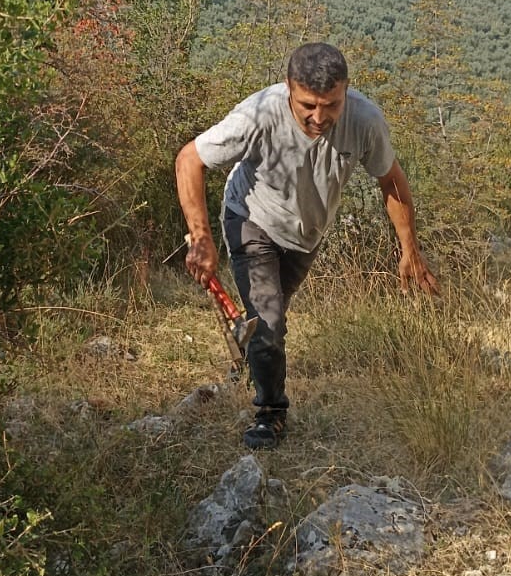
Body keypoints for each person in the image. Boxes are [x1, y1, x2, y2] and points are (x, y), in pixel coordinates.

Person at [175, 42, 438, 450]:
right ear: (288, 89)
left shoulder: (365, 120)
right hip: (251, 218)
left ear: (346, 92)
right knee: (268, 319)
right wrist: (202, 239)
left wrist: (410, 250)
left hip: (305, 236)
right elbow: (189, 159)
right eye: (307, 105)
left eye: (330, 105)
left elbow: (392, 181)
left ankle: (252, 351)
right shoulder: (258, 114)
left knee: (269, 317)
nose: (319, 117)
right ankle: (270, 413)